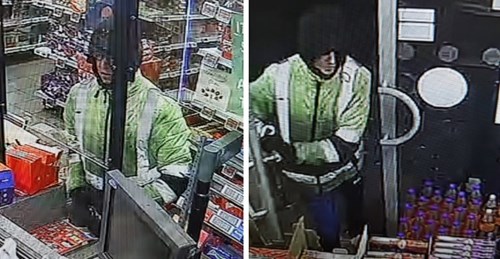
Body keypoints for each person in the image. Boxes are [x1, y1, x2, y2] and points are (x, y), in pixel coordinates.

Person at [250, 4, 372, 251]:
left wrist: (294, 152)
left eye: (337, 53)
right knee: (326, 230)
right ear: (307, 53)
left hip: (344, 170)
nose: (332, 61)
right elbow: (250, 109)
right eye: (322, 53)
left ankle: (355, 234)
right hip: (299, 179)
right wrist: (267, 135)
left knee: (356, 217)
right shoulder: (279, 75)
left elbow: (347, 140)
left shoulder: (358, 77)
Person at [63, 17, 192, 236]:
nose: (104, 66)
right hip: (93, 205)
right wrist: (77, 190)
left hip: (139, 215)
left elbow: (175, 176)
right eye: (99, 56)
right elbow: (74, 148)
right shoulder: (79, 95)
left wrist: (128, 210)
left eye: (113, 59)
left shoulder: (160, 108)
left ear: (132, 60)